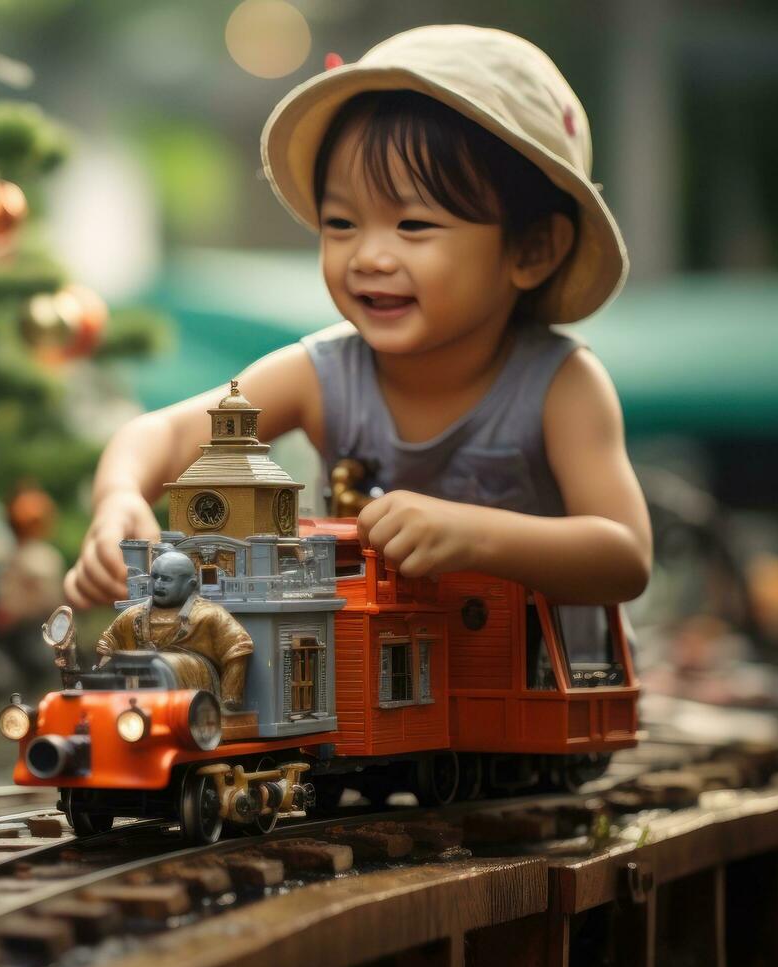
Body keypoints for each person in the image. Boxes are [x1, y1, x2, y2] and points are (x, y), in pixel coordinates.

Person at [66, 25, 651, 612]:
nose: (368, 256)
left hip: (532, 691)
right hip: (365, 690)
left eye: (414, 225)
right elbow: (159, 434)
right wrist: (119, 501)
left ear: (532, 250)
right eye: (341, 224)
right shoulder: (324, 376)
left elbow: (624, 555)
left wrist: (476, 534)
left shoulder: (560, 384)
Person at [96, 551, 254, 707]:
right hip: (136, 699)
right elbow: (108, 645)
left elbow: (239, 647)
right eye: (155, 577)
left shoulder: (209, 615)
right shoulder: (132, 616)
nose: (157, 584)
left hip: (193, 699)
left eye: (166, 579)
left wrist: (229, 698)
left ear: (190, 584)